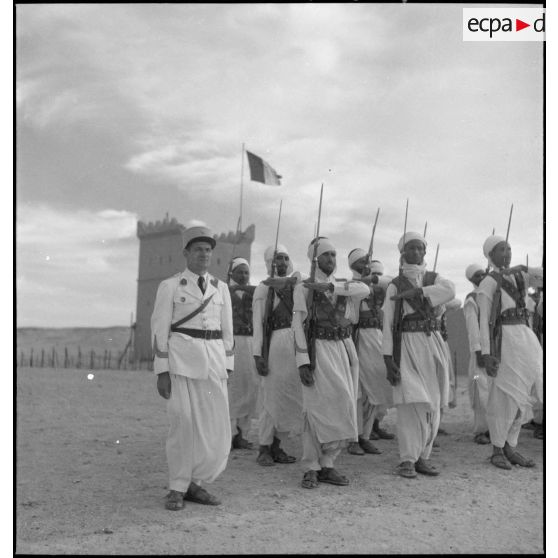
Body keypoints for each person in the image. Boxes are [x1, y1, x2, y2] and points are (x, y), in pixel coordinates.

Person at [151, 225, 234, 510]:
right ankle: (177, 487)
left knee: (214, 428)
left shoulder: (220, 288)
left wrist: (229, 365)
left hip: (213, 363)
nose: (203, 254)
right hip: (181, 363)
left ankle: (196, 484)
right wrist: (162, 371)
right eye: (198, 249)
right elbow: (160, 330)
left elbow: (228, 331)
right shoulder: (171, 286)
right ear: (186, 253)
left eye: (208, 250)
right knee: (183, 424)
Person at [292, 237, 369, 489]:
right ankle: (311, 466)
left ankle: (329, 463)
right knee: (316, 408)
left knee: (343, 403)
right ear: (315, 259)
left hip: (343, 348)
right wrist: (303, 361)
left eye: (334, 255)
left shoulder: (343, 284)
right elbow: (297, 326)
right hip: (319, 349)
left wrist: (328, 288)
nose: (331, 260)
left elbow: (364, 289)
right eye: (326, 255)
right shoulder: (303, 287)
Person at [382, 232, 455, 478]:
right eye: (411, 248)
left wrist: (418, 293)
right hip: (407, 346)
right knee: (411, 403)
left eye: (420, 248)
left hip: (432, 344)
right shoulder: (395, 283)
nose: (416, 253)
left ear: (425, 252)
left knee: (433, 404)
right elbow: (388, 323)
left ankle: (424, 456)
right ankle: (407, 459)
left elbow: (450, 291)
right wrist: (387, 358)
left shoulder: (434, 278)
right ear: (403, 253)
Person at [478, 235, 543, 470]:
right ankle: (497, 449)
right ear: (490, 255)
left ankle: (511, 446)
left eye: (509, 248)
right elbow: (484, 321)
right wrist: (486, 353)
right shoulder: (488, 282)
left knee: (523, 395)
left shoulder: (521, 275)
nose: (507, 252)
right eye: (500, 249)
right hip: (504, 341)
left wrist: (524, 267)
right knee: (504, 396)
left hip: (526, 338)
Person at [252, 245, 302, 466]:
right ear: (269, 263)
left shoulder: (296, 286)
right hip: (273, 346)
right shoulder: (264, 288)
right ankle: (264, 447)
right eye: (277, 259)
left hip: (294, 345)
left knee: (290, 397)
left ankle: (277, 446)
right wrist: (258, 355)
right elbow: (258, 324)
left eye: (285, 258)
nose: (281, 263)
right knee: (270, 398)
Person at [346, 249, 393, 456]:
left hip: (377, 339)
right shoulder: (350, 285)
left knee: (376, 386)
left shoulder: (376, 284)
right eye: (362, 261)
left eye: (367, 261)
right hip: (359, 340)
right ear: (353, 265)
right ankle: (354, 438)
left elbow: (391, 281)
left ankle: (365, 435)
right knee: (358, 393)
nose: (366, 263)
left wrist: (372, 278)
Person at [227, 257, 260, 450]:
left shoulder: (254, 293)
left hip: (249, 343)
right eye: (240, 271)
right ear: (231, 273)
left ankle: (242, 434)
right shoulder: (222, 291)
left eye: (246, 272)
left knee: (250, 387)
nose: (244, 275)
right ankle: (228, 433)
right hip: (230, 343)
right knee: (232, 389)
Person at [463, 263, 491, 445]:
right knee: (479, 389)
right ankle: (481, 430)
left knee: (495, 390)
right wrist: (479, 351)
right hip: (479, 353)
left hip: (496, 350)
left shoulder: (491, 295)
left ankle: (494, 429)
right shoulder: (471, 299)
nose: (482, 278)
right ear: (472, 280)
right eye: (478, 276)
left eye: (484, 274)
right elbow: (473, 328)